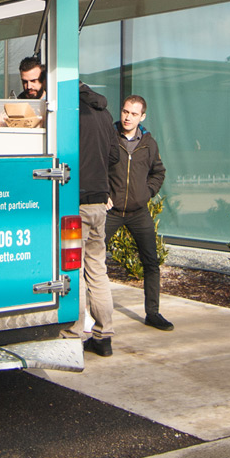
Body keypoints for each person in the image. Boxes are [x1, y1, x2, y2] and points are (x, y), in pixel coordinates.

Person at [105, 94, 172, 330]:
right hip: (111, 213)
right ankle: (89, 315)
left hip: (138, 212)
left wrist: (147, 193)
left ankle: (152, 313)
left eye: (134, 114)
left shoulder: (149, 143)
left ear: (142, 116)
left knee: (151, 262)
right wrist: (103, 194)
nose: (127, 117)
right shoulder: (108, 137)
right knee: (92, 260)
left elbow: (158, 172)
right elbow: (94, 168)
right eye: (125, 111)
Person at [68, 83, 120, 356]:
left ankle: (73, 332)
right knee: (97, 270)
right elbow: (114, 154)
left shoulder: (71, 111)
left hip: (75, 200)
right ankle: (104, 335)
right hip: (100, 201)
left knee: (73, 269)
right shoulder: (103, 112)